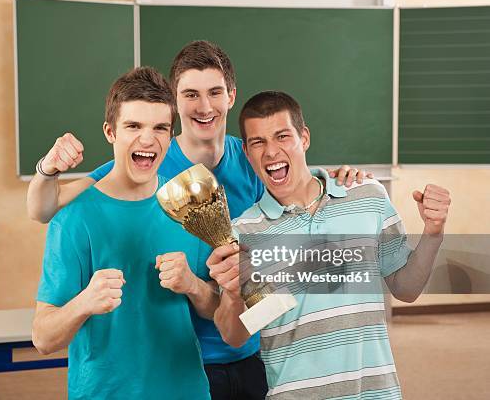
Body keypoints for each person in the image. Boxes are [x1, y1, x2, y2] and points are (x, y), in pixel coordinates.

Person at [28, 41, 370, 400]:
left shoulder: (231, 171)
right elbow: (47, 208)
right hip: (183, 363)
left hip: (245, 353)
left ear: (230, 96)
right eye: (191, 94)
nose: (204, 106)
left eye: (214, 93)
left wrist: (335, 179)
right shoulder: (106, 199)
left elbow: (292, 180)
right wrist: (46, 170)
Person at [207, 90, 451, 399]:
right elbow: (235, 335)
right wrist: (231, 295)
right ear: (246, 151)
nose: (271, 152)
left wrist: (433, 233)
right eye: (258, 142)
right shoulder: (243, 233)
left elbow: (406, 288)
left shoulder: (368, 197)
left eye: (282, 136)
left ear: (304, 138)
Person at [32, 67, 216, 400]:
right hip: (104, 392)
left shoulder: (193, 201)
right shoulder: (74, 218)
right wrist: (84, 302)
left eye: (160, 127)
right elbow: (43, 338)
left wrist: (193, 285)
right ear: (110, 132)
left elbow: (217, 308)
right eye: (133, 126)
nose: (148, 139)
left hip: (186, 390)